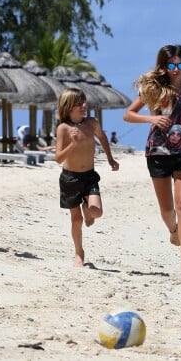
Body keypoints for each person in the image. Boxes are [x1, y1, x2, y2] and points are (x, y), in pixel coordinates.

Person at [123, 44, 181, 279]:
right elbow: (128, 114)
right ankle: (173, 230)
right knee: (167, 210)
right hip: (157, 151)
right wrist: (153, 118)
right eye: (172, 65)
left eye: (180, 65)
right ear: (165, 66)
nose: (176, 69)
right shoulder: (154, 88)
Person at [55, 88, 119, 267]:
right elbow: (58, 158)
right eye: (79, 104)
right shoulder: (63, 128)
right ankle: (79, 253)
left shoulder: (92, 122)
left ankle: (87, 207)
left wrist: (110, 158)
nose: (84, 106)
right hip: (70, 179)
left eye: (84, 102)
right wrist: (72, 145)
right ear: (68, 107)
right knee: (77, 220)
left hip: (89, 176)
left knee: (97, 212)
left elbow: (103, 137)